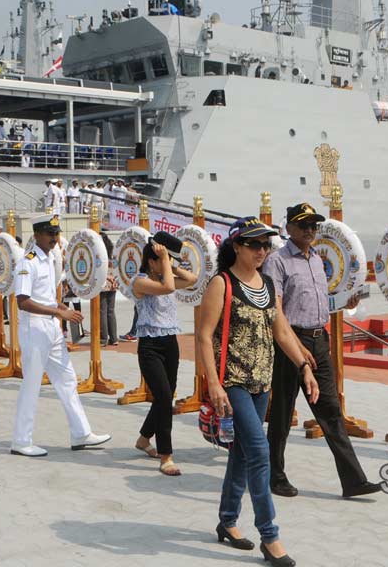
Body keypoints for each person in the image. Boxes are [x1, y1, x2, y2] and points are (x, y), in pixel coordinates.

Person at [196, 216, 317, 567]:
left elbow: (281, 331)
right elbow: (204, 337)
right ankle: (270, 535)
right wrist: (214, 385)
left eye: (266, 245)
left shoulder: (266, 283)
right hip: (233, 381)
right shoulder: (222, 284)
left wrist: (304, 367)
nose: (262, 250)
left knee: (242, 453)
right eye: (254, 244)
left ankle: (227, 519)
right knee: (260, 453)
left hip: (261, 382)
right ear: (236, 246)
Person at [264, 203, 383, 499]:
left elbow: (318, 302)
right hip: (290, 341)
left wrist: (345, 301)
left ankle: (353, 480)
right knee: (281, 413)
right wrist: (293, 344)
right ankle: (274, 475)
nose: (310, 230)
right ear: (288, 228)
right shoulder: (277, 262)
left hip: (319, 340)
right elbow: (275, 310)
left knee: (331, 411)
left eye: (314, 225)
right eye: (303, 225)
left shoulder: (317, 259)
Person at [10, 214, 111, 456]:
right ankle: (21, 441)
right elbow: (23, 301)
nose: (54, 238)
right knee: (32, 384)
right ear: (36, 235)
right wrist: (58, 311)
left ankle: (80, 432)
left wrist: (60, 308)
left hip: (52, 327)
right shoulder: (28, 262)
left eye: (56, 233)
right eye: (49, 233)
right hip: (35, 327)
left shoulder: (48, 259)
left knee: (67, 380)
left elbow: (43, 295)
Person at [131, 233, 196, 475]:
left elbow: (191, 279)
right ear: (152, 260)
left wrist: (169, 261)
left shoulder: (164, 275)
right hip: (150, 346)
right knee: (164, 397)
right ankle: (166, 456)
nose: (166, 263)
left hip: (170, 342)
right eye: (162, 259)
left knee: (163, 398)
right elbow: (167, 287)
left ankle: (143, 439)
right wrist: (165, 261)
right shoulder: (139, 282)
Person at [98, 233, 119, 345]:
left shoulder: (99, 254)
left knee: (102, 311)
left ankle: (103, 338)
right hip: (113, 284)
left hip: (103, 283)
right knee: (111, 311)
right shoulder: (112, 253)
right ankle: (114, 338)